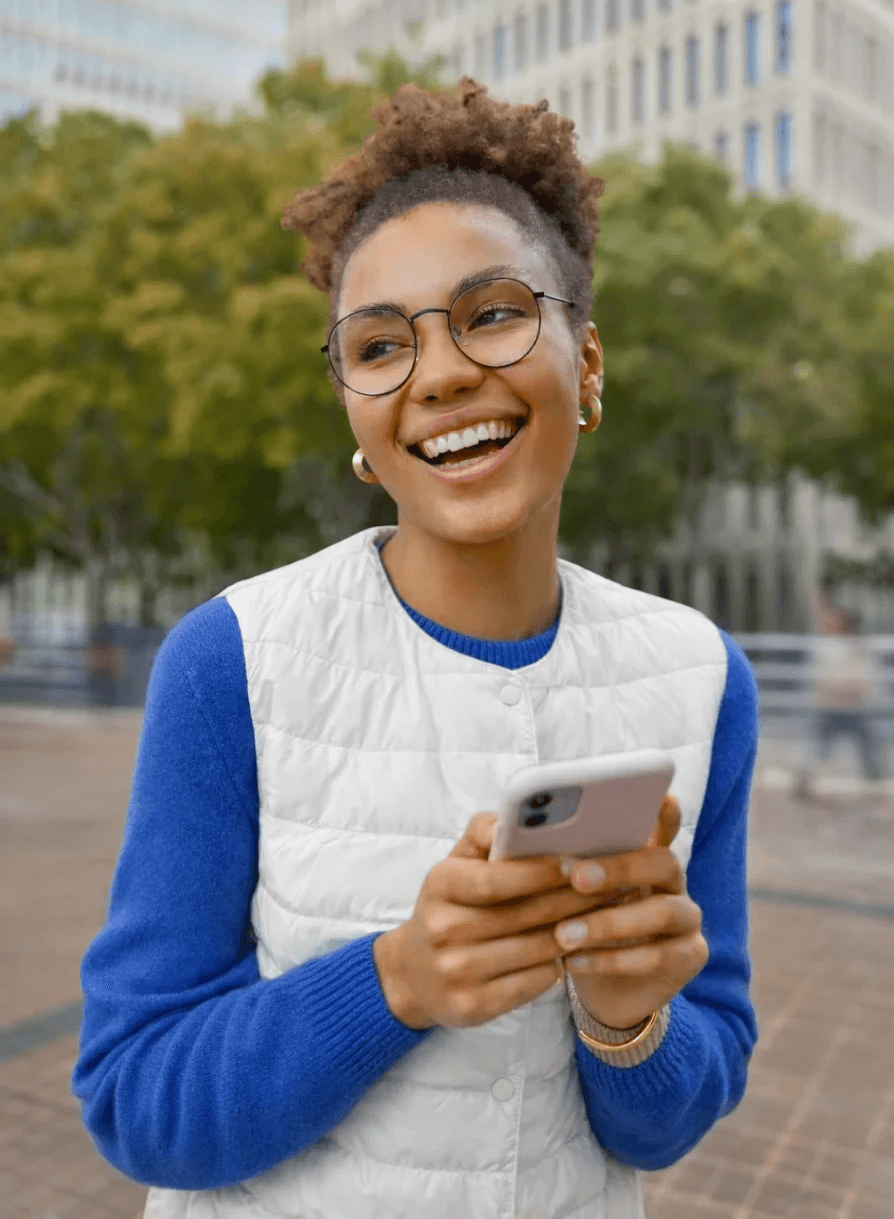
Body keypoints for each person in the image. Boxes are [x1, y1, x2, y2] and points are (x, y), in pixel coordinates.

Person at [72, 78, 759, 1219]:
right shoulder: (231, 661)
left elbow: (674, 1115)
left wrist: (628, 1021)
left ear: (586, 368)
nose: (439, 374)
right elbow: (136, 1099)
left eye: (492, 313)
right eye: (379, 344)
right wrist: (395, 982)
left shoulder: (700, 673)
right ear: (353, 409)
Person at [794, 602, 884, 801]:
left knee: (868, 747)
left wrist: (865, 692)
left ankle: (877, 782)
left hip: (855, 706)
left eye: (833, 619)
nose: (829, 623)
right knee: (818, 747)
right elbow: (819, 678)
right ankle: (804, 780)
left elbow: (868, 676)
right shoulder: (824, 647)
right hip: (831, 707)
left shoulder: (857, 646)